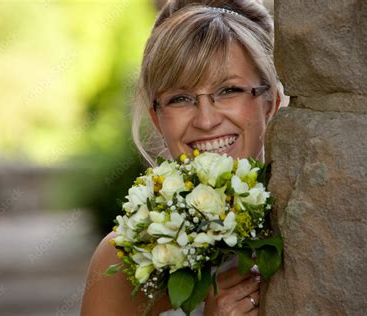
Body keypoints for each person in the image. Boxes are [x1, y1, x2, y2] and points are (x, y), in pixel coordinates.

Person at [80, 1, 286, 315]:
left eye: (228, 90)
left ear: (270, 101)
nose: (205, 120)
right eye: (180, 98)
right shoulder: (119, 262)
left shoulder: (310, 225)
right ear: (157, 118)